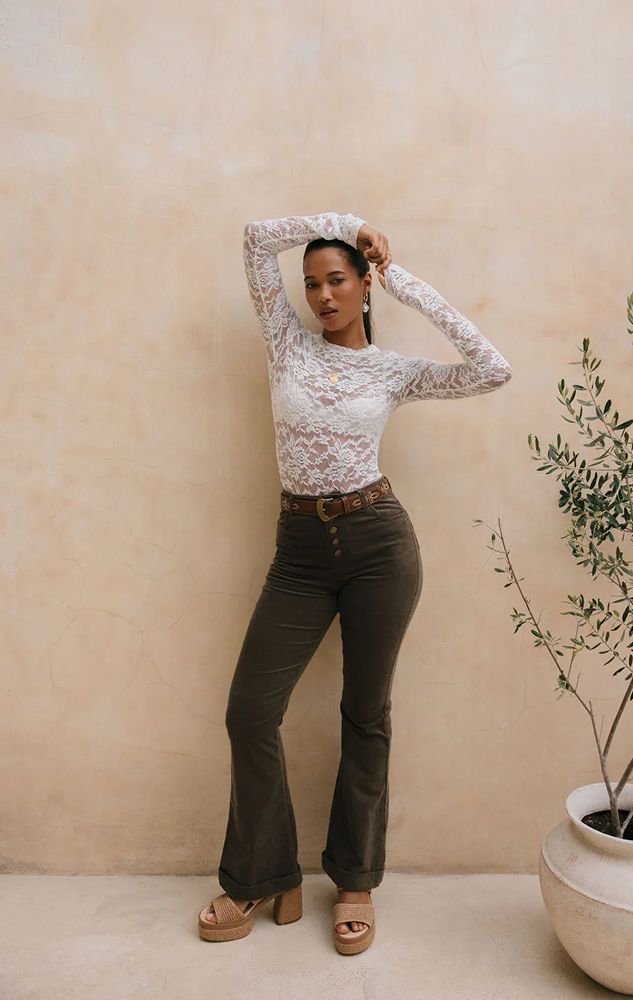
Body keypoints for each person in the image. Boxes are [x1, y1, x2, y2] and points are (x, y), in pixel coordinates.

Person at [198, 211, 513, 952]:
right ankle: (262, 873)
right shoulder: (285, 345)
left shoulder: (393, 370)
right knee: (250, 712)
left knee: (365, 716)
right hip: (300, 551)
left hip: (379, 546)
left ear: (364, 283)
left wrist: (399, 278)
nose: (322, 296)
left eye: (337, 278)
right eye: (312, 284)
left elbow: (492, 368)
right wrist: (348, 222)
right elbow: (252, 238)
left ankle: (356, 880)